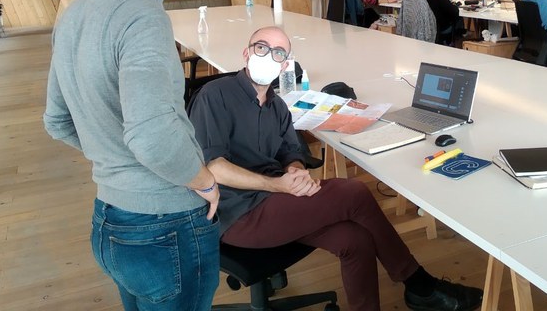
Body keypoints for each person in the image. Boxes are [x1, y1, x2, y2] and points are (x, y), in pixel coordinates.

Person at [189, 26, 484, 311]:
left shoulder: (277, 106)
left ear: (285, 65)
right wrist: (278, 184)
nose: (268, 56)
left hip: (279, 199)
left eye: (278, 52)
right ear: (246, 53)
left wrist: (294, 171)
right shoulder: (215, 95)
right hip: (237, 213)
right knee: (353, 193)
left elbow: (290, 152)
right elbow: (214, 168)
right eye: (261, 47)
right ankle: (419, 284)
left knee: (355, 240)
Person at [43, 0, 221, 310]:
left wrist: (113, 159)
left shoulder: (76, 13)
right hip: (164, 229)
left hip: (109, 222)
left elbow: (57, 120)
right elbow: (153, 137)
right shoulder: (144, 18)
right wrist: (205, 182)